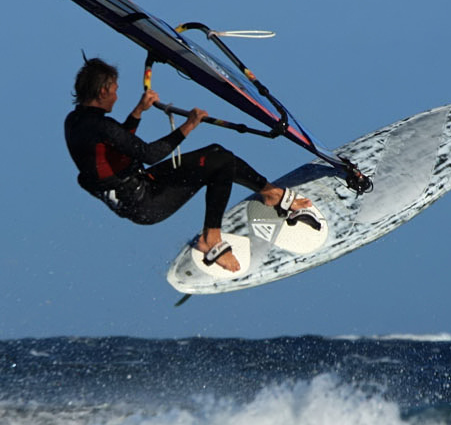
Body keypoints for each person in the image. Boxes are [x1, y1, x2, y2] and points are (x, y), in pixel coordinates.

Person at [64, 57, 313, 273]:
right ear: (103, 92)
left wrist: (138, 111)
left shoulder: (75, 122)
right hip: (145, 203)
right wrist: (189, 126)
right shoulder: (102, 126)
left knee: (216, 154)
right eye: (115, 90)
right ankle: (211, 240)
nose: (117, 95)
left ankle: (271, 193)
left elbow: (114, 149)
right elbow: (149, 153)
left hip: (138, 187)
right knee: (221, 162)